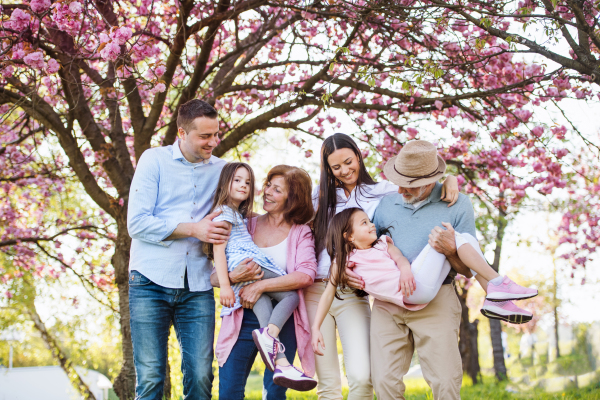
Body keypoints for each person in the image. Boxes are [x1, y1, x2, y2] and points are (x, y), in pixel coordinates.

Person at [368, 139, 536, 399]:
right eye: (399, 181)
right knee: (383, 382)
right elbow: (371, 247)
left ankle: (497, 289)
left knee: (446, 383)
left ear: (430, 181)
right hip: (389, 301)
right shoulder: (386, 205)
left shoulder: (459, 205)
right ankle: (498, 287)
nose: (401, 189)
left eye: (410, 185)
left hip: (436, 298)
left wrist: (449, 249)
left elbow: (466, 270)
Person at [306, 133, 459, 400]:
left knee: (362, 377)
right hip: (318, 286)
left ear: (358, 155)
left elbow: (420, 189)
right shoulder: (318, 198)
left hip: (355, 292)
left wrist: (450, 179)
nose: (344, 171)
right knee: (328, 383)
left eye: (348, 161)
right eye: (336, 167)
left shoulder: (384, 192)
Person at [127, 99, 238, 400]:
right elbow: (136, 223)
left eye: (216, 134)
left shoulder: (223, 169)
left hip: (197, 284)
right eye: (205, 136)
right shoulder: (154, 160)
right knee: (150, 377)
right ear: (181, 133)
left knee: (202, 374)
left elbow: (241, 215)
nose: (213, 142)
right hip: (149, 280)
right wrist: (194, 229)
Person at [310, 207, 536, 353]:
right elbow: (328, 293)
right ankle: (497, 285)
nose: (371, 225)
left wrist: (406, 268)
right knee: (449, 235)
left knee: (461, 237)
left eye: (369, 220)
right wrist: (317, 327)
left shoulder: (382, 243)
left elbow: (398, 258)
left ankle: (497, 296)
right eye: (363, 223)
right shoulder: (345, 260)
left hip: (416, 282)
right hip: (413, 292)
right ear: (348, 236)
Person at [205, 162, 316, 391]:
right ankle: (274, 347)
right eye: (268, 185)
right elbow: (214, 277)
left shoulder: (300, 232)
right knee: (229, 392)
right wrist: (233, 278)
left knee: (274, 394)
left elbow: (306, 275)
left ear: (292, 199)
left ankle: (276, 350)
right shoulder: (245, 224)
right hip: (242, 317)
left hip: (281, 318)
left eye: (277, 189)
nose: (267, 191)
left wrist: (260, 286)